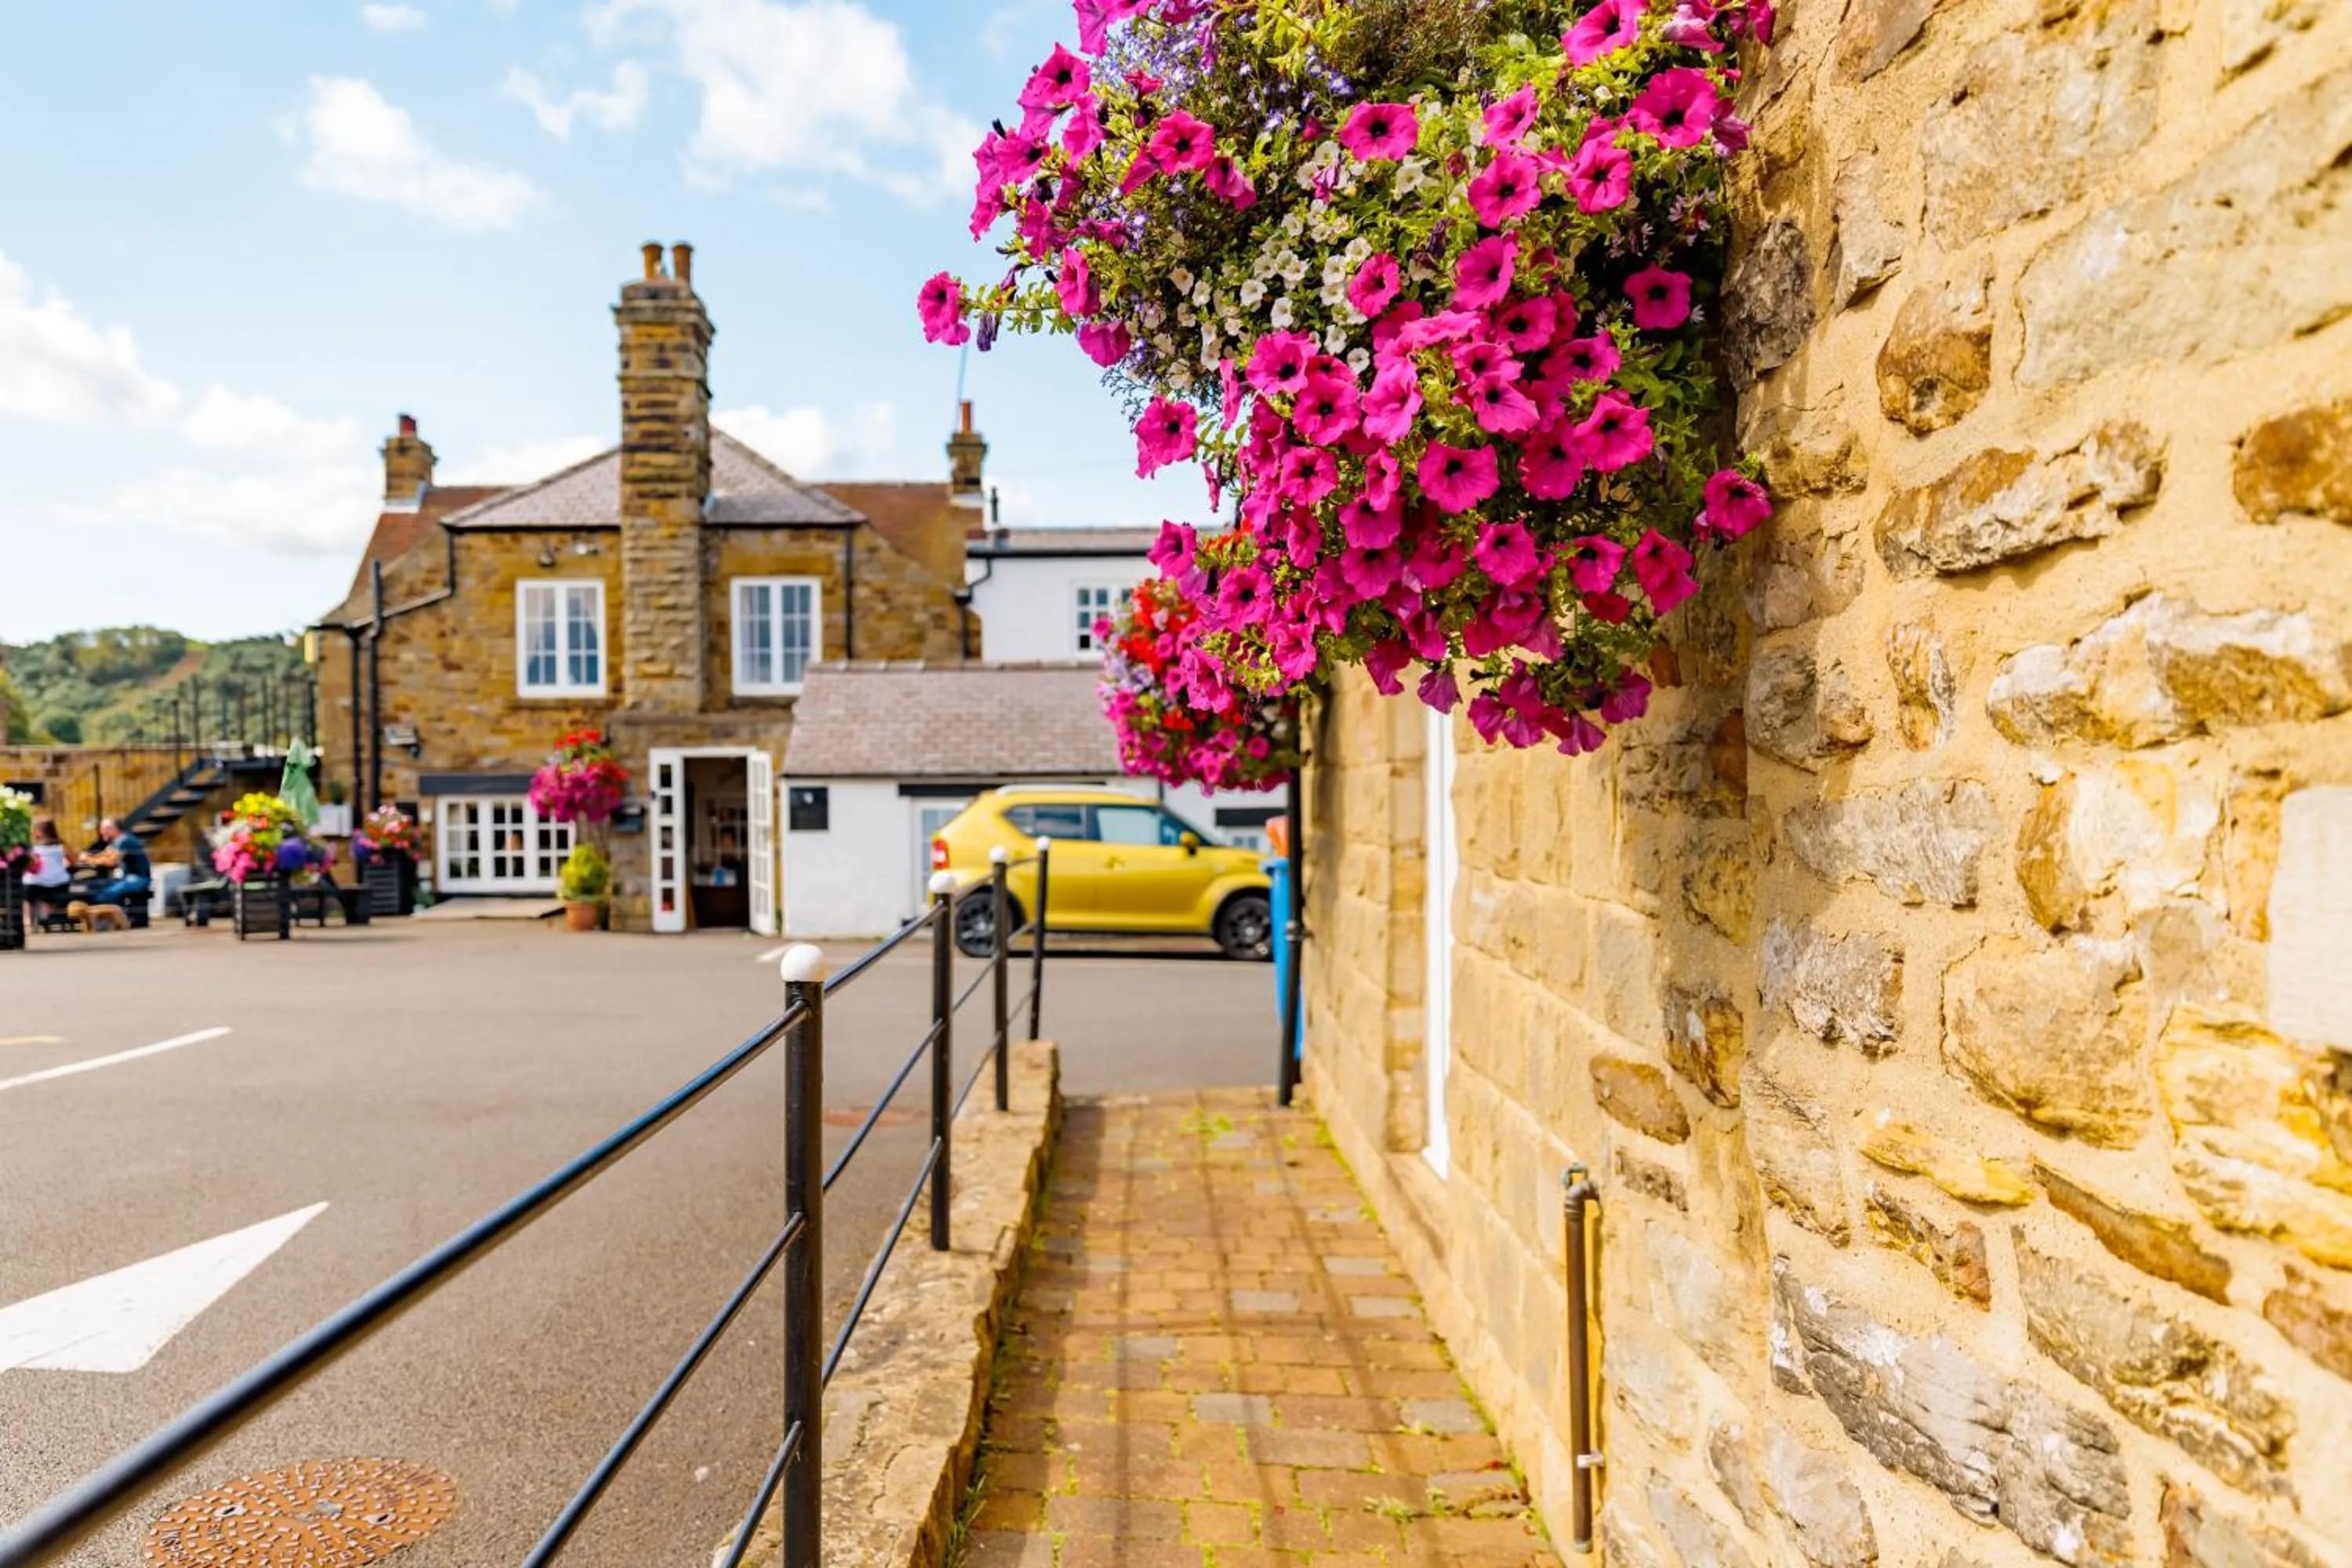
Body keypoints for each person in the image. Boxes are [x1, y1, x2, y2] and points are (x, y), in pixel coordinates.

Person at [78, 817, 153, 912]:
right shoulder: (117, 841)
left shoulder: (124, 840)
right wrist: (88, 856)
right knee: (94, 886)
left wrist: (88, 860)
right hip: (127, 877)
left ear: (112, 829)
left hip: (138, 878)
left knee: (105, 894)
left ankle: (114, 917)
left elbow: (112, 862)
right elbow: (105, 854)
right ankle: (114, 916)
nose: (101, 832)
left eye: (103, 829)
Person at [24, 818, 72, 920]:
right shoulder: (62, 845)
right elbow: (72, 861)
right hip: (59, 884)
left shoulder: (33, 847)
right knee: (54, 890)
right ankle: (46, 916)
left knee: (27, 895)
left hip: (35, 885)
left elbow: (29, 865)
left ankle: (27, 920)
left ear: (40, 831)